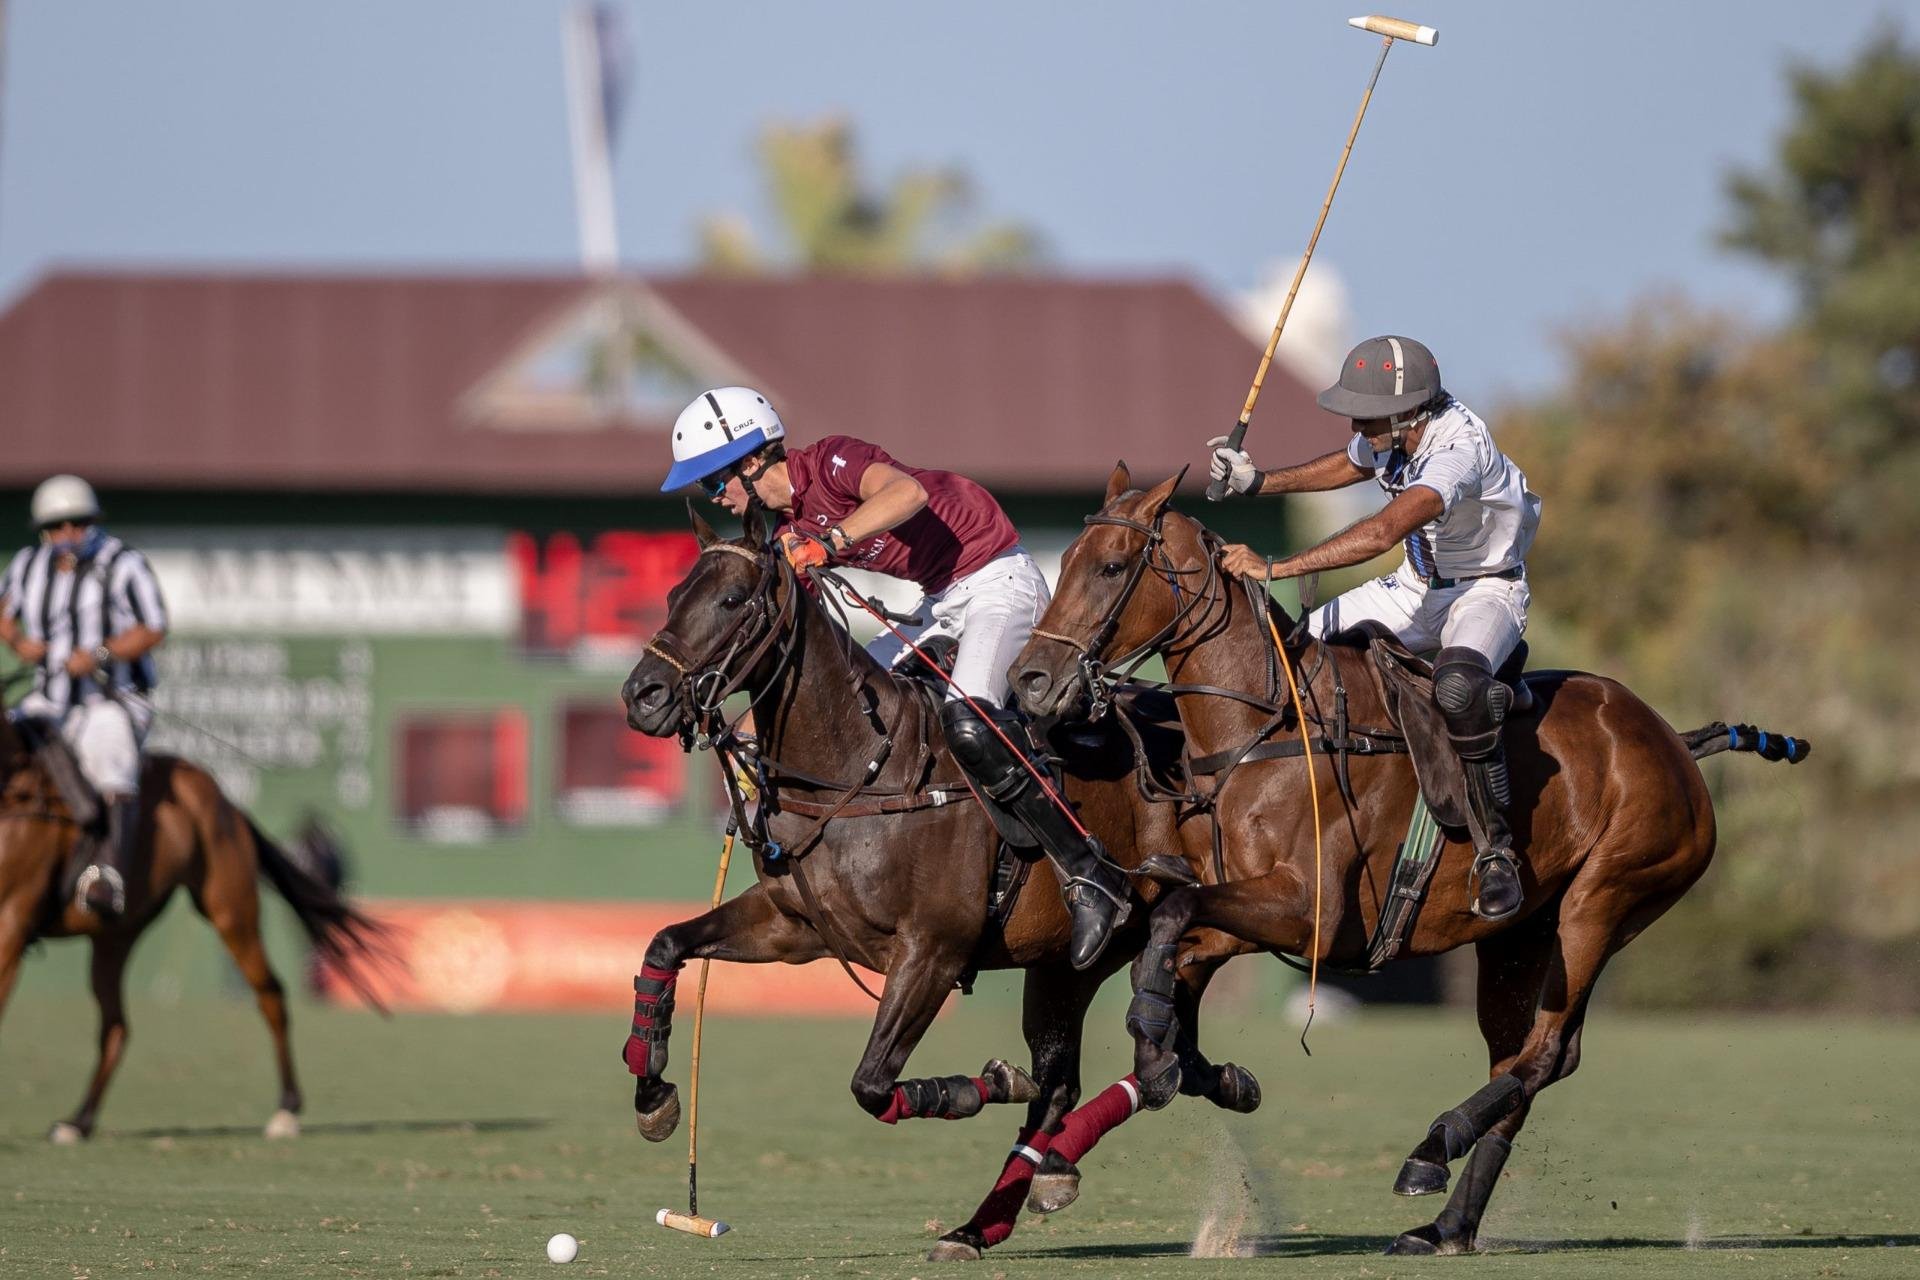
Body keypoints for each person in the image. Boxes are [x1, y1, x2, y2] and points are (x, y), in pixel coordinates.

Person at [662, 386, 1128, 967]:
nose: (715, 497)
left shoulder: (831, 462)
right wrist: (758, 738)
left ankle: (1089, 871)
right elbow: (803, 654)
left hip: (997, 580)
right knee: (853, 701)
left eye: (713, 480)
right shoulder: (784, 532)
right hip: (940, 602)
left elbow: (907, 492)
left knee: (969, 719)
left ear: (752, 460)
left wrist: (831, 541)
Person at [1208, 336, 1540, 921]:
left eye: (1365, 413)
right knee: (1289, 653)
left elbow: (1385, 528)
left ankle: (1496, 853)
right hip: (1416, 584)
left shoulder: (1456, 448)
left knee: (1458, 689)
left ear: (1408, 411)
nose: (1355, 422)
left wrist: (1278, 567)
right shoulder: (1395, 429)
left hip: (1486, 588)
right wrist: (1258, 482)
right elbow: (1351, 462)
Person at [0, 475, 169, 923]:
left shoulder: (123, 564)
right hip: (48, 698)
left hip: (110, 698)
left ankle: (107, 873)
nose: (68, 534)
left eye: (77, 523)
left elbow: (153, 628)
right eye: (58, 526)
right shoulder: (26, 567)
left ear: (92, 523)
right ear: (44, 530)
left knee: (110, 752)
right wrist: (19, 643)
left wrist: (100, 653)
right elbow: (3, 611)